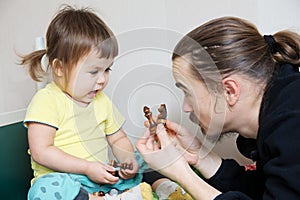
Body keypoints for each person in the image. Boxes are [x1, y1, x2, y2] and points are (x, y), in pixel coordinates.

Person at [20, 5, 191, 200]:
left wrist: (127, 162)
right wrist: (87, 167)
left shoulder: (101, 101)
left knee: (144, 159)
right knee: (45, 189)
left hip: (101, 177)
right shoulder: (47, 100)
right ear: (59, 67)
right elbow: (41, 152)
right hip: (66, 180)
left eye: (107, 69)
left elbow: (117, 139)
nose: (102, 80)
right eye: (94, 72)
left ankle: (166, 188)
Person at [136, 16, 300, 199]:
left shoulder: (293, 122)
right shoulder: (283, 110)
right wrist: (200, 156)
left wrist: (181, 173)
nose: (186, 107)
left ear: (229, 91)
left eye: (188, 92)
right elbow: (268, 190)